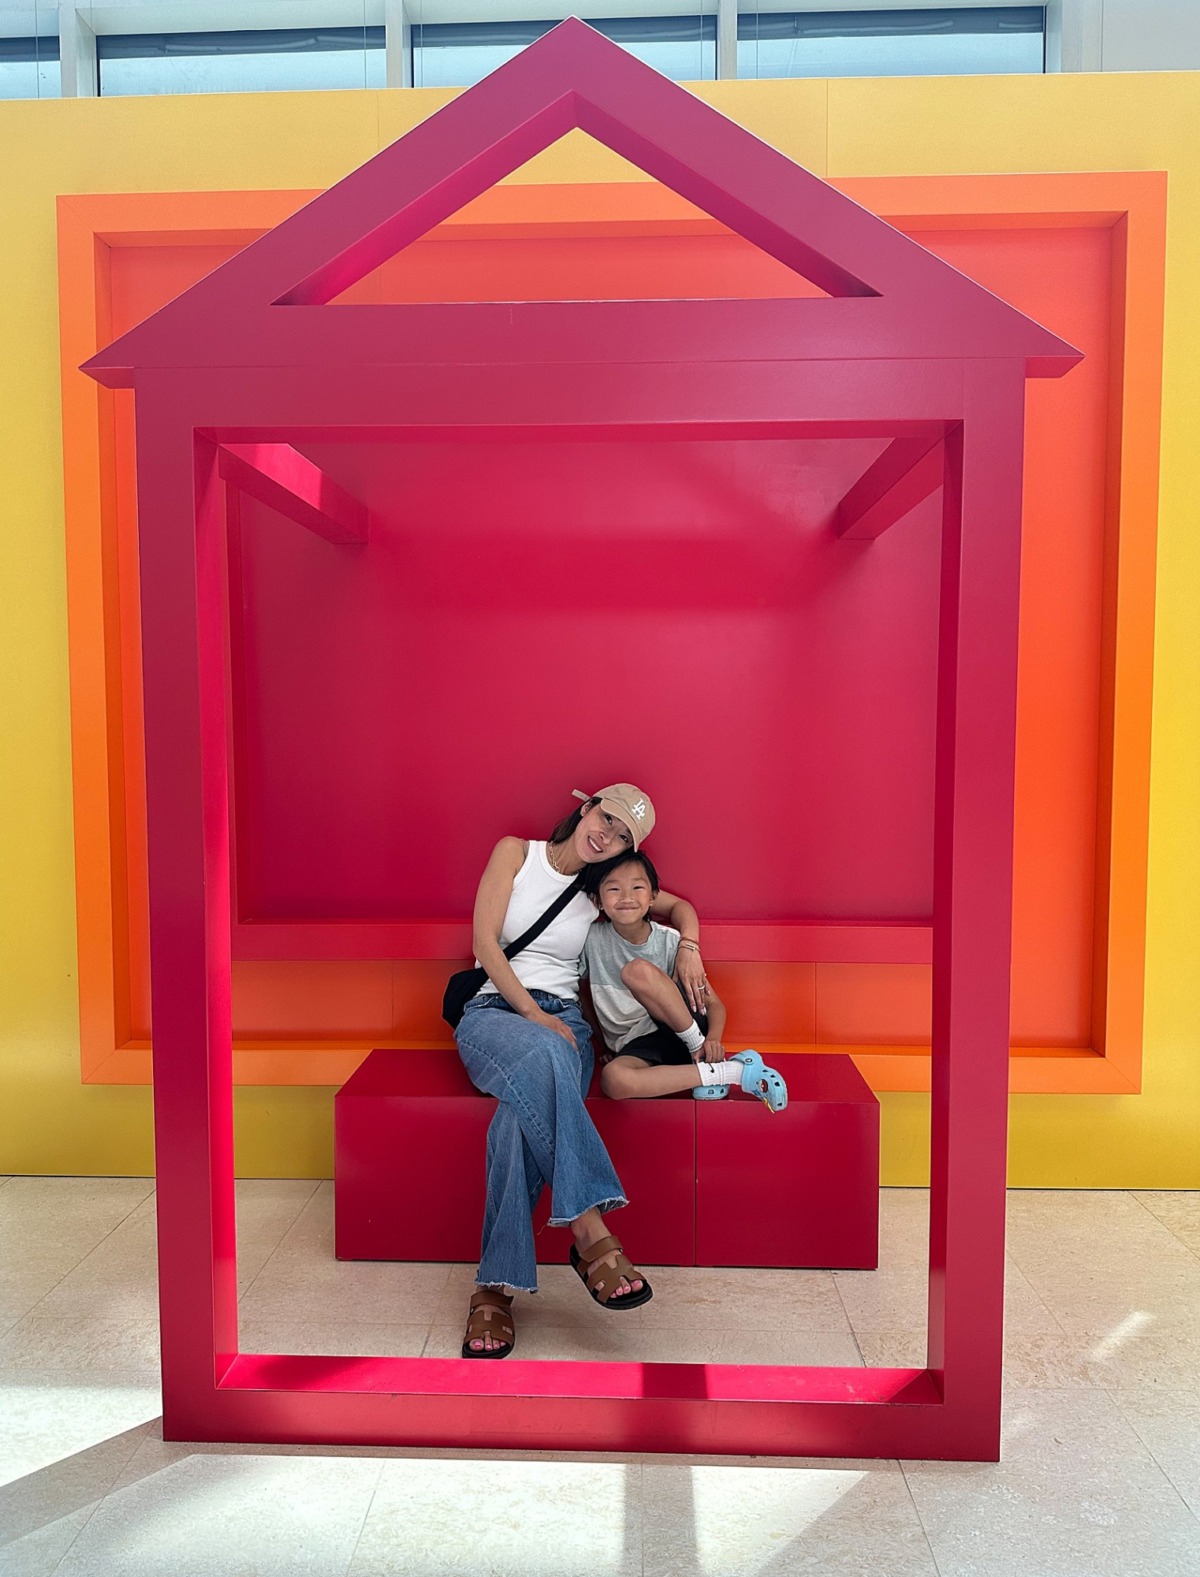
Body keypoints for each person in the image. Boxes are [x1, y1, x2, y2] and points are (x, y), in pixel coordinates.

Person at [454, 783, 707, 1359]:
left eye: (623, 837)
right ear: (585, 806)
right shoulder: (516, 853)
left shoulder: (602, 887)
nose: (608, 836)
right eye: (607, 819)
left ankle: (493, 1290)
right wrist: (533, 1016)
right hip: (494, 1012)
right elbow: (484, 944)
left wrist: (688, 942)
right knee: (544, 1055)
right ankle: (590, 1227)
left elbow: (674, 905)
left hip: (566, 1020)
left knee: (516, 1120)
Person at [585, 850, 789, 1111]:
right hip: (638, 1045)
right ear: (597, 900)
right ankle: (729, 1072)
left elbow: (715, 1005)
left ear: (653, 898)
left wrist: (711, 1039)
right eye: (614, 889)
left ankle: (699, 1051)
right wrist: (603, 1042)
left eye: (637, 887)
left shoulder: (670, 942)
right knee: (612, 1080)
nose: (626, 897)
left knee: (635, 971)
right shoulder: (591, 940)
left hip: (685, 1028)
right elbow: (584, 996)